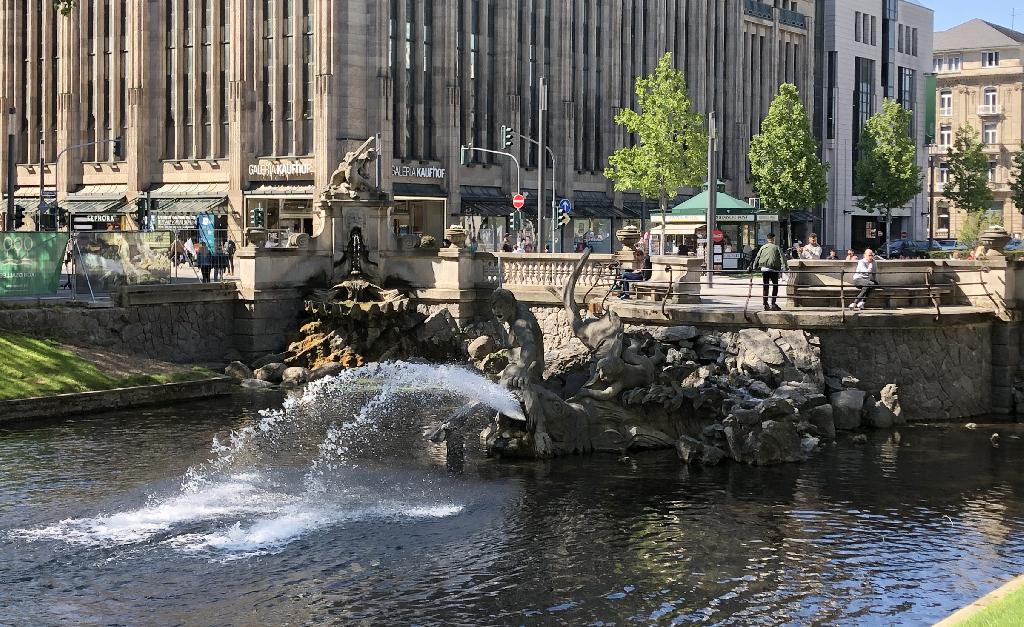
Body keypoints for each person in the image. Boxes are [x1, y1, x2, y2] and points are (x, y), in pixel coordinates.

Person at [751, 232, 784, 311]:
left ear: (767, 239)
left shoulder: (763, 247)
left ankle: (765, 304)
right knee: (775, 286)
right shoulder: (776, 247)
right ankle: (773, 303)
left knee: (766, 286)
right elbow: (782, 257)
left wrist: (754, 267)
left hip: (764, 269)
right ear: (773, 239)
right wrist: (785, 267)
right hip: (773, 269)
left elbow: (757, 257)